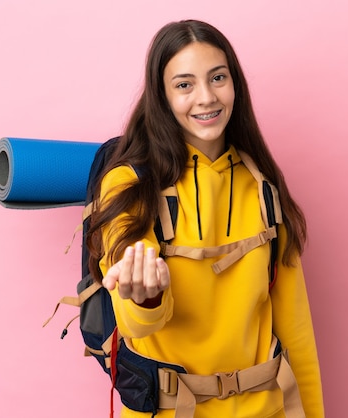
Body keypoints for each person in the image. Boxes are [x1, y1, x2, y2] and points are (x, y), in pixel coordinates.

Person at [87, 19, 324, 418]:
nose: (206, 97)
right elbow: (135, 326)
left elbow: (297, 331)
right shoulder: (130, 182)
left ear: (236, 84)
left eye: (218, 78)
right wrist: (147, 296)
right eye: (184, 84)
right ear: (161, 96)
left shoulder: (263, 184)